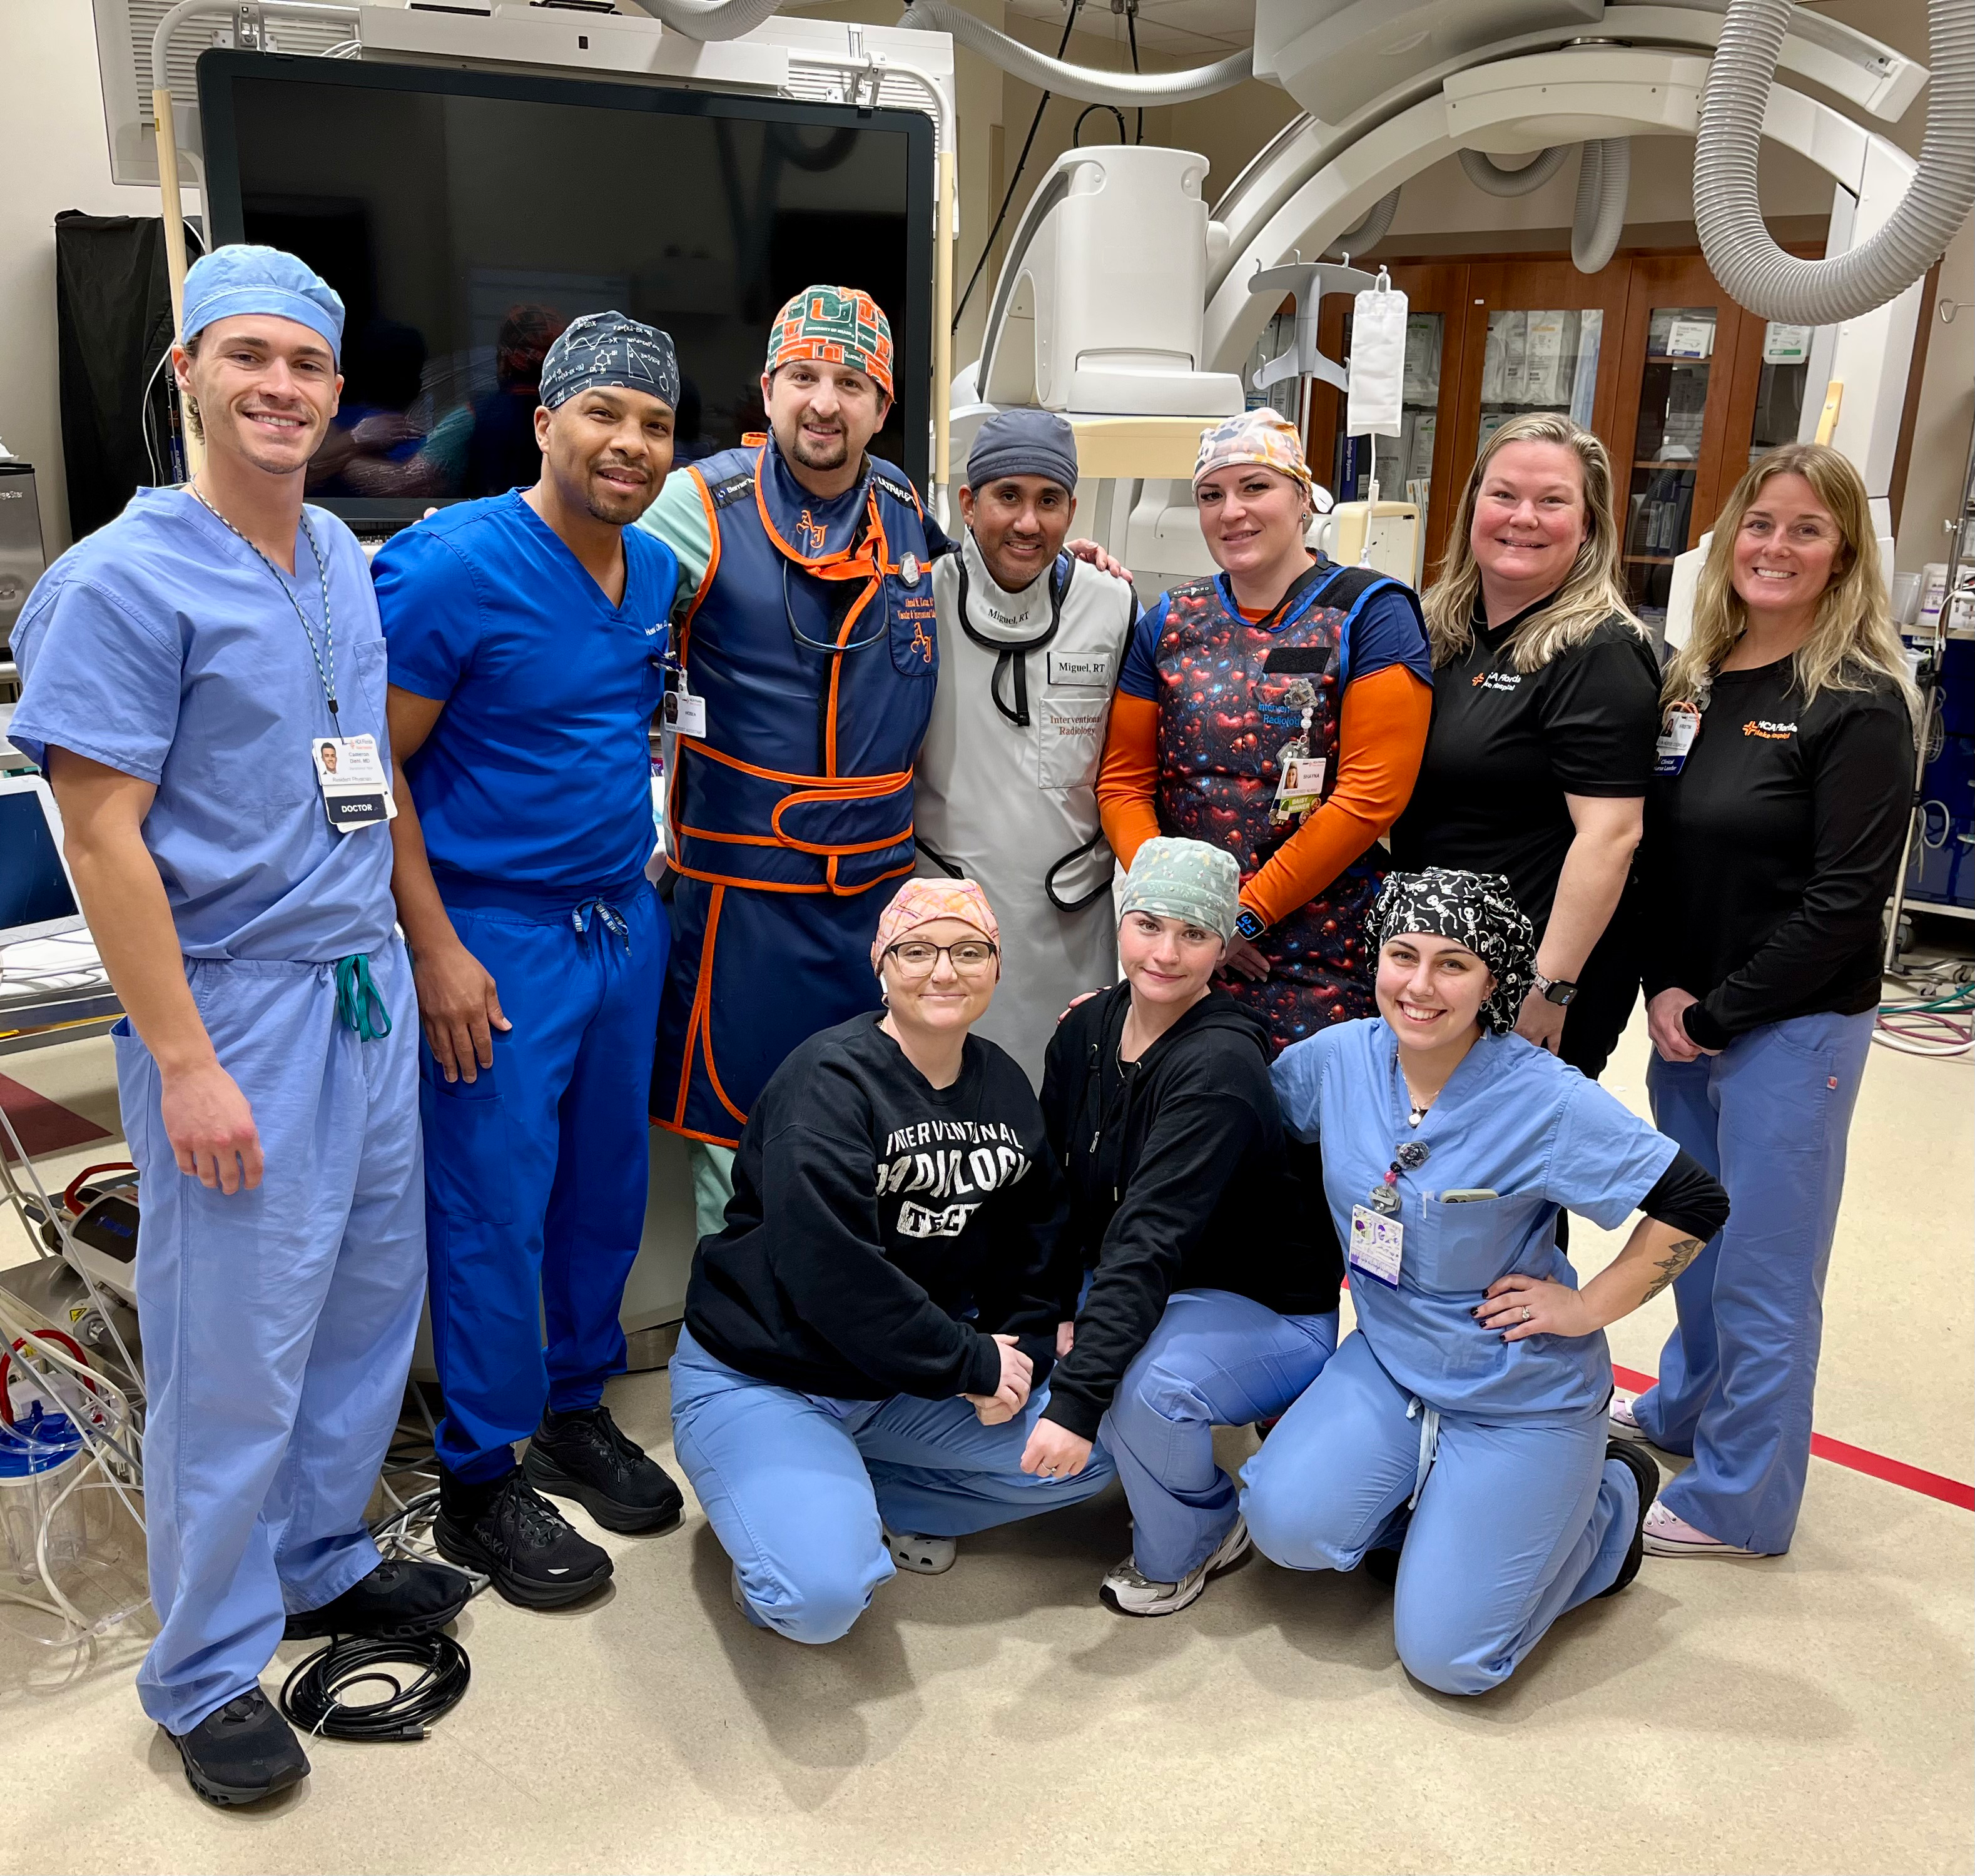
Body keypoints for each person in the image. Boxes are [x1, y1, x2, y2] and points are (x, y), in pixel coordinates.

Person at [7, 245, 464, 1805]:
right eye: (249, 357)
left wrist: (416, 958)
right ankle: (202, 1668)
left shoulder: (336, 551)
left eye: (310, 365)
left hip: (360, 990)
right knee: (231, 1353)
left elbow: (362, 777)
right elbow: (101, 835)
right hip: (236, 1009)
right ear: (188, 372)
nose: (282, 388)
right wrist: (186, 1061)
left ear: (341, 390)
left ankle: (324, 1556)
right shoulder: (122, 581)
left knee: (358, 1306)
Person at [371, 312, 685, 1609]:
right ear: (543, 418)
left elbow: (623, 724)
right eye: (602, 411)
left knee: (604, 1186)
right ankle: (480, 1474)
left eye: (657, 422)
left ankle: (572, 1402)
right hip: (489, 935)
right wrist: (433, 944)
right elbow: (365, 764)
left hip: (618, 917)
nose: (630, 441)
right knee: (494, 1204)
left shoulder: (653, 571)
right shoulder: (447, 566)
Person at [1246, 868, 1730, 1695]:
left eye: (1453, 963)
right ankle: (1443, 1509)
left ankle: (1609, 1502)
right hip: (1392, 1362)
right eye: (1402, 954)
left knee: (1450, 1660)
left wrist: (1587, 1305)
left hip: (1517, 1388)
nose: (1420, 985)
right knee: (1284, 1523)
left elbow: (1694, 1199)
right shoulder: (1336, 1060)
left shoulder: (1542, 1096)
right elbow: (1251, 1118)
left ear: (1493, 980)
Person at [668, 878, 1117, 1643]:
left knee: (1093, 1450)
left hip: (900, 1380)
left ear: (995, 969)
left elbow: (1036, 1240)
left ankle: (868, 1494)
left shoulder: (1001, 1080)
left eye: (969, 951)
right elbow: (829, 1270)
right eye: (917, 950)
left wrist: (1026, 1354)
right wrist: (971, 1362)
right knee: (820, 1601)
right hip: (771, 1373)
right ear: (882, 965)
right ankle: (785, 1516)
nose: (944, 971)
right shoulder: (828, 1080)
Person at [1617, 443, 1917, 1559]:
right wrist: (1664, 989)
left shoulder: (1857, 701)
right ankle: (1686, 1410)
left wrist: (1720, 1010)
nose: (1775, 546)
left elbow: (1846, 899)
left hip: (1787, 1028)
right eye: (1759, 523)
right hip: (1685, 1017)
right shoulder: (1695, 679)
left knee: (1763, 1266)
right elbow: (1663, 853)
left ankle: (1740, 1500)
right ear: (1727, 538)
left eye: (1805, 528)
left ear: (1843, 555)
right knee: (1691, 1236)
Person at [634, 285, 944, 1241]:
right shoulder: (697, 504)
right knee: (740, 1146)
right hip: (744, 905)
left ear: (881, 408)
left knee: (868, 1133)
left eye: (851, 383)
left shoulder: (902, 504)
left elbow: (970, 596)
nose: (825, 402)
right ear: (767, 390)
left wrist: (1070, 565)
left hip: (878, 901)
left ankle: (849, 1344)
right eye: (804, 376)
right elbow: (589, 602)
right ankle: (734, 1362)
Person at [1024, 837, 1341, 1616]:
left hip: (1260, 1305)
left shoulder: (1219, 1066)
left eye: (1194, 934)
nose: (1164, 954)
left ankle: (1199, 1531)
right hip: (1145, 1279)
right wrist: (1050, 1307)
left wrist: (1076, 1400)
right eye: (1149, 926)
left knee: (1142, 1387)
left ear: (1223, 945)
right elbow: (1049, 1190)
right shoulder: (1085, 1027)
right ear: (1121, 922)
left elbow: (1149, 1238)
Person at [1096, 406, 1432, 1053]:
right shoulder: (1169, 620)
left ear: (1302, 498)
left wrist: (1243, 914)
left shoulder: (1370, 613)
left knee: (1305, 1135)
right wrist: (1185, 911)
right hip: (1186, 954)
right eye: (1211, 494)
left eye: (1256, 487)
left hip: (1317, 950)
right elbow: (1122, 784)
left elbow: (1371, 795)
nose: (1232, 511)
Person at [1390, 412, 1660, 1079]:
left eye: (1552, 501)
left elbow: (1611, 836)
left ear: (1588, 524)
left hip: (1530, 976)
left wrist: (1550, 986)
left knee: (1499, 1177)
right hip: (1436, 961)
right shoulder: (1436, 631)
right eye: (1504, 494)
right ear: (1473, 505)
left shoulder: (1599, 653)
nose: (1523, 517)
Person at [914, 408, 1137, 1083]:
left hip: (1066, 916)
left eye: (1048, 501)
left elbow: (1132, 769)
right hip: (944, 899)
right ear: (967, 503)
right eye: (1007, 495)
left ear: (1073, 508)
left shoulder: (1115, 604)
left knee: (1061, 1096)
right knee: (947, 1094)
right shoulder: (916, 597)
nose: (1027, 522)